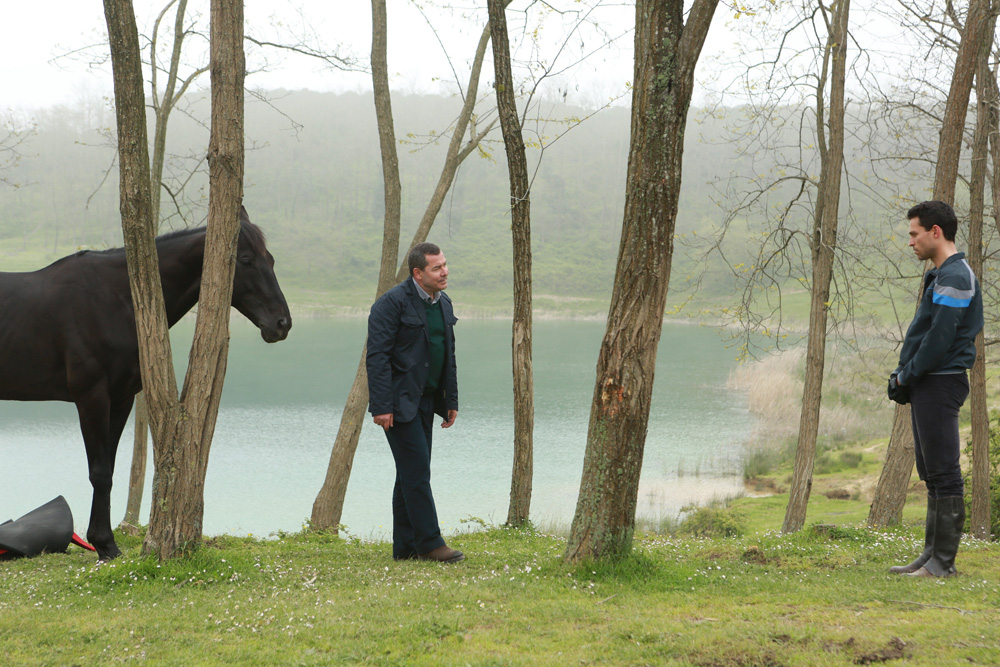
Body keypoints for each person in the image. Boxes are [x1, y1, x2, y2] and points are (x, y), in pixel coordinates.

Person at [887, 200, 983, 578]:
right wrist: (906, 375)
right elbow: (926, 334)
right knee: (932, 472)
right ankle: (930, 556)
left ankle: (943, 564)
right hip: (929, 380)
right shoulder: (942, 274)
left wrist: (905, 377)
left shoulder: (955, 276)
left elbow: (939, 340)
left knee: (944, 472)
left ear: (935, 232)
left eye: (914, 234)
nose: (911, 242)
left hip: (941, 380)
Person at [366, 242, 464, 563]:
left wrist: (450, 400)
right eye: (437, 268)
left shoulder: (443, 303)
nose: (445, 272)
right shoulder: (390, 304)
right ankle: (430, 543)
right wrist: (382, 406)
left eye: (445, 265)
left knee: (409, 473)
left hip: (427, 401)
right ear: (418, 273)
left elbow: (447, 355)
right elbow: (377, 358)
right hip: (398, 404)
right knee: (418, 471)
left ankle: (405, 548)